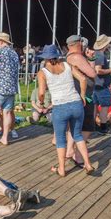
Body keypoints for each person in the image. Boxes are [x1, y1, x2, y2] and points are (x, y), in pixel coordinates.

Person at [37, 44, 94, 177]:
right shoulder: (68, 65)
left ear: (45, 58)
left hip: (60, 107)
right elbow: (83, 79)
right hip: (76, 104)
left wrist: (41, 102)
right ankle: (88, 164)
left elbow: (41, 93)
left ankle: (61, 169)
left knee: (61, 139)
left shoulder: (43, 72)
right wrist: (83, 95)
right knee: (78, 135)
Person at [65, 35, 97, 164]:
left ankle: (69, 151)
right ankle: (77, 155)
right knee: (86, 127)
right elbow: (92, 73)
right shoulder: (77, 57)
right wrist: (92, 59)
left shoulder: (67, 56)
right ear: (79, 44)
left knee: (74, 126)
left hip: (74, 94)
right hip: (84, 96)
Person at [92, 35, 111, 133]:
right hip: (101, 86)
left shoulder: (94, 54)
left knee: (94, 105)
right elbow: (98, 70)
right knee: (104, 106)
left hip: (95, 85)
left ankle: (92, 127)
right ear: (105, 44)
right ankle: (103, 128)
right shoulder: (100, 55)